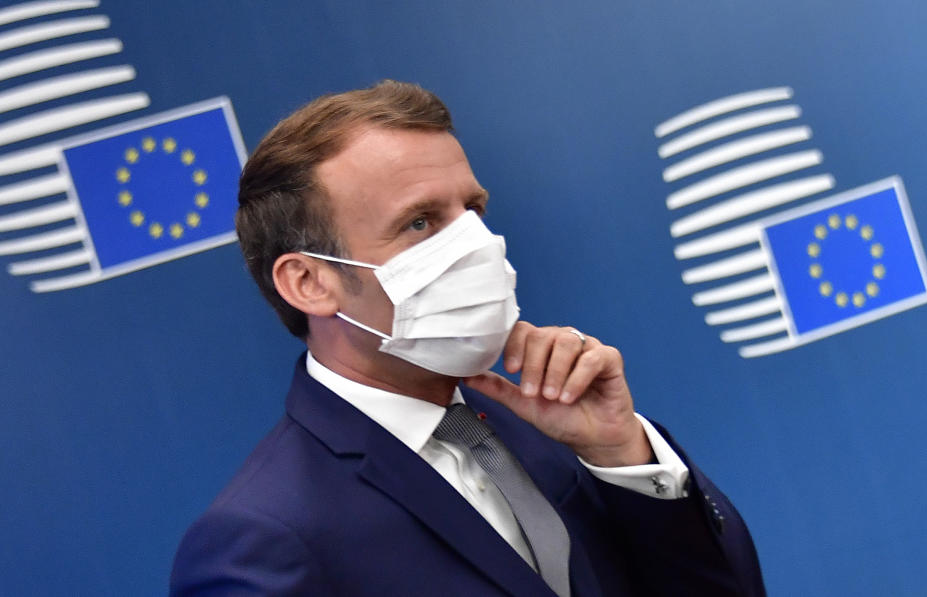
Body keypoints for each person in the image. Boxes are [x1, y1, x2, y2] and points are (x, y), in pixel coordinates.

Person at [170, 80, 765, 596]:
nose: (478, 245)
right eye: (421, 222)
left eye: (473, 210)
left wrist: (622, 456)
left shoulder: (549, 430)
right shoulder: (264, 535)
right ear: (309, 282)